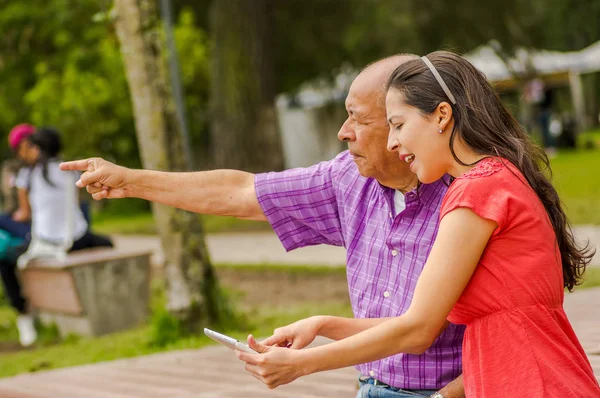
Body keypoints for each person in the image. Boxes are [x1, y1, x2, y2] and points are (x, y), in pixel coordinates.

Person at [61, 55, 466, 398]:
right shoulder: (348, 179)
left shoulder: (468, 196)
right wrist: (130, 180)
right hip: (369, 384)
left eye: (358, 120)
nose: (343, 133)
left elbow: (430, 328)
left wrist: (304, 362)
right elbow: (240, 192)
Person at [232, 51, 600, 397]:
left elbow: (418, 330)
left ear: (441, 116)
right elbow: (418, 322)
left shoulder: (477, 192)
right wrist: (323, 325)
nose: (393, 142)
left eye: (398, 125)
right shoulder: (496, 177)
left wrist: (301, 365)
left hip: (533, 384)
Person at [0, 127, 113, 347]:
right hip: (78, 239)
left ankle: (23, 314)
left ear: (37, 148)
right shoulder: (71, 170)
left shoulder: (26, 175)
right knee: (106, 242)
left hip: (49, 245)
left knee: (4, 258)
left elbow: (26, 213)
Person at [0, 124, 37, 241]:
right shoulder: (11, 168)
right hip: (16, 215)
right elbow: (9, 194)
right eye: (28, 146)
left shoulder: (41, 167)